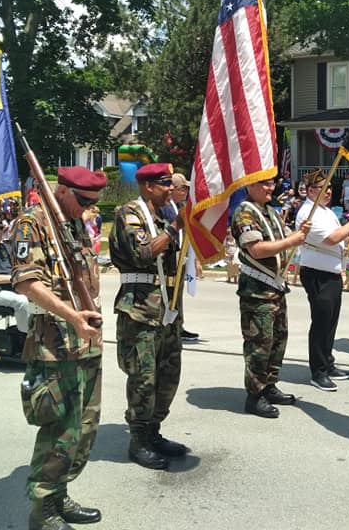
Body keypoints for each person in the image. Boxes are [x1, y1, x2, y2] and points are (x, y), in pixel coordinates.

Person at [10, 166, 106, 530]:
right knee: (59, 428)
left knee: (84, 426)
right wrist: (73, 315)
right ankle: (42, 509)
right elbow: (28, 283)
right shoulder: (31, 224)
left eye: (93, 204)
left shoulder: (73, 224)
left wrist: (87, 321)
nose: (86, 209)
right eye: (82, 201)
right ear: (62, 190)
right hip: (54, 343)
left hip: (85, 340)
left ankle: (60, 493)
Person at [109, 163, 189, 470]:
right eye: (164, 184)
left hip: (167, 311)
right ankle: (138, 439)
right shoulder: (130, 214)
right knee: (144, 379)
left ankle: (154, 432)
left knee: (168, 376)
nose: (171, 189)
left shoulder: (166, 214)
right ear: (146, 187)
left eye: (171, 184)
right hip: (140, 310)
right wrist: (174, 228)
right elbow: (144, 253)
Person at [231, 172, 311, 418]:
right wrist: (292, 241)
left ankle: (269, 385)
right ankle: (254, 395)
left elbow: (284, 239)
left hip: (275, 288)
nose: (270, 187)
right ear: (251, 185)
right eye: (264, 183)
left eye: (272, 182)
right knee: (259, 343)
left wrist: (297, 235)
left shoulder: (271, 212)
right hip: (257, 291)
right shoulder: (244, 213)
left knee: (277, 340)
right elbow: (256, 249)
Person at [295, 169, 349, 392]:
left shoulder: (325, 211)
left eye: (329, 189)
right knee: (321, 322)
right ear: (310, 191)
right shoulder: (308, 212)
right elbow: (332, 238)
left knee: (331, 321)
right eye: (322, 189)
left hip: (331, 272)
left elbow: (340, 236)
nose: (328, 192)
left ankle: (328, 362)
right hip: (317, 273)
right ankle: (318, 371)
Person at [162, 172, 200, 342]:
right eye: (184, 188)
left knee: (177, 293)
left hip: (180, 255)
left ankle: (178, 325)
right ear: (174, 189)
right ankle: (171, 326)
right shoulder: (165, 207)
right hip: (170, 257)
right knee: (170, 293)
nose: (186, 191)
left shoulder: (177, 206)